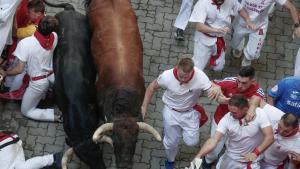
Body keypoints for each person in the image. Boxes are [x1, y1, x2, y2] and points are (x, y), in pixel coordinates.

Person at [141, 57, 222, 169]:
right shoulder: (166, 76)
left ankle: (181, 132)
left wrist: (219, 90)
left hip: (190, 112)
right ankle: (170, 160)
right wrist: (144, 107)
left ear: (192, 71)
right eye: (181, 76)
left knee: (192, 142)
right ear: (177, 67)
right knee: (171, 142)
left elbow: (215, 94)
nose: (183, 80)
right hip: (171, 112)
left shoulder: (201, 77)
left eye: (186, 77)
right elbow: (151, 87)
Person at [201, 66, 265, 169]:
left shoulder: (258, 91)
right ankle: (207, 161)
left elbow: (258, 101)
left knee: (233, 147)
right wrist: (215, 87)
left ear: (253, 81)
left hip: (240, 126)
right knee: (214, 149)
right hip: (221, 120)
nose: (239, 85)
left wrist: (252, 106)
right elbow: (211, 83)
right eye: (238, 81)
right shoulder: (230, 81)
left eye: (244, 83)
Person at [186, 94, 274, 169]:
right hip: (230, 158)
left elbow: (270, 137)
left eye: (234, 112)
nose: (231, 114)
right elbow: (214, 140)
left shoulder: (259, 114)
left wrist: (256, 152)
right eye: (230, 111)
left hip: (251, 162)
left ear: (246, 109)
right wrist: (198, 156)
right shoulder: (227, 118)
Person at [0, 16, 61, 122]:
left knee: (26, 111)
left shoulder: (26, 43)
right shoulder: (55, 36)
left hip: (38, 83)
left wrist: (5, 73)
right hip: (51, 75)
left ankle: (55, 116)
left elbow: (19, 70)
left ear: (38, 26)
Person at [189, 0, 256, 71]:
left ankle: (211, 61)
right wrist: (217, 30)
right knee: (197, 68)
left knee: (218, 67)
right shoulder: (202, 3)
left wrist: (248, 20)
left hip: (220, 38)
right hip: (204, 40)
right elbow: (198, 26)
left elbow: (240, 9)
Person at [231, 0, 300, 66]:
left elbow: (291, 7)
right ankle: (239, 46)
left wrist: (297, 26)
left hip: (259, 26)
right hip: (240, 23)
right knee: (235, 45)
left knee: (252, 53)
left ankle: (246, 61)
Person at [2, 0, 45, 93]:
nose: (27, 14)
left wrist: (14, 15)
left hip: (26, 63)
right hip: (36, 61)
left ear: (38, 13)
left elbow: (14, 33)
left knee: (16, 77)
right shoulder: (43, 21)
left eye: (30, 12)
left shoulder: (32, 29)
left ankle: (10, 94)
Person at [260, 102, 300, 169]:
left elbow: (293, 165)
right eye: (279, 126)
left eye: (286, 131)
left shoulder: (297, 143)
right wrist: (252, 108)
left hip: (271, 165)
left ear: (294, 129)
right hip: (257, 155)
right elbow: (256, 99)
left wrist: (297, 162)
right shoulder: (276, 114)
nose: (280, 131)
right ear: (280, 119)